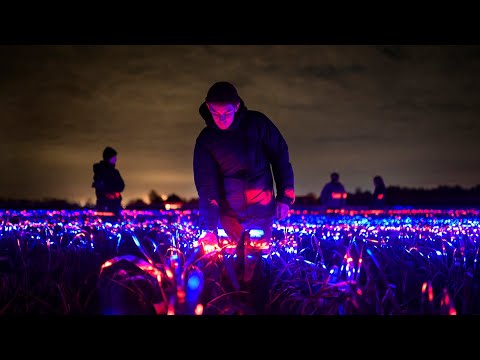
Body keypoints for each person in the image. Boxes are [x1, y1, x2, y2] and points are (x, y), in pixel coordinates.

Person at [193, 81, 295, 254]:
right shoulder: (206, 140)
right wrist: (210, 227)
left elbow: (280, 157)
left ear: (237, 106)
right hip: (228, 217)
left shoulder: (258, 124)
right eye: (215, 113)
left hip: (262, 211)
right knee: (230, 266)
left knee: (259, 262)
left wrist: (285, 197)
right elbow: (206, 185)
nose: (221, 118)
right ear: (208, 107)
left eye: (227, 112)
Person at [92, 146, 125, 218]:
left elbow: (122, 186)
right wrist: (112, 189)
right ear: (108, 158)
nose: (115, 159)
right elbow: (100, 186)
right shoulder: (100, 171)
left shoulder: (115, 172)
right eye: (114, 157)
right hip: (104, 204)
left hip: (115, 204)